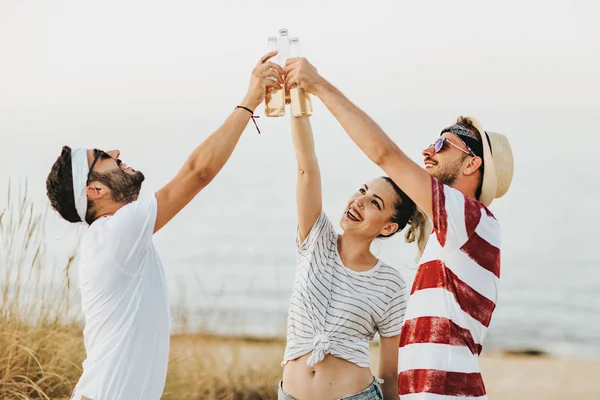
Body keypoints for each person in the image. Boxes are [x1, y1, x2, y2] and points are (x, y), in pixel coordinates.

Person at [45, 51, 284, 400]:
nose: (114, 151)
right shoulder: (115, 235)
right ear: (95, 190)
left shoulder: (115, 238)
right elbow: (197, 174)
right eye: (102, 156)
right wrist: (250, 100)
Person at [284, 57, 514, 399]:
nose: (427, 151)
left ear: (472, 163)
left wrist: (318, 85)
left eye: (442, 145)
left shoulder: (472, 219)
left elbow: (384, 153)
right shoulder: (447, 238)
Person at [279, 114, 429, 400]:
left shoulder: (390, 284)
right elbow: (306, 169)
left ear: (388, 227)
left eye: (375, 203)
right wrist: (297, 102)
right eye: (362, 191)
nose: (359, 201)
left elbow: (389, 374)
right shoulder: (316, 239)